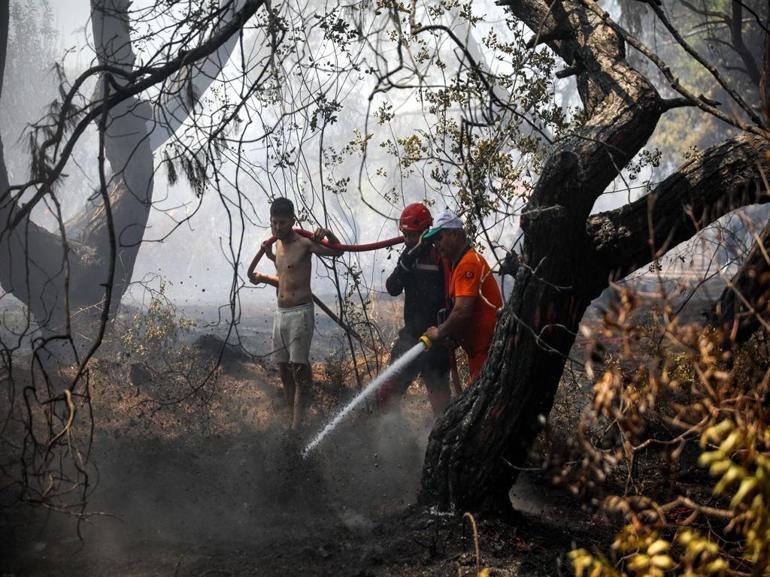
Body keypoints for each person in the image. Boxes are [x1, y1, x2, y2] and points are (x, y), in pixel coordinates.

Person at [248, 197, 343, 430]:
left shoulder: (304, 243)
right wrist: (261, 276)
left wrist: (328, 233)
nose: (277, 228)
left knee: (299, 369)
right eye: (274, 223)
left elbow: (337, 252)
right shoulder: (276, 246)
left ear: (292, 221)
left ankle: (297, 428)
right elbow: (284, 280)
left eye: (282, 222)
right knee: (283, 368)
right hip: (281, 314)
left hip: (300, 313)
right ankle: (292, 421)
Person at [378, 203, 451, 415]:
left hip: (436, 339)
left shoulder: (441, 257)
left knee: (441, 401)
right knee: (387, 392)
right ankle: (390, 437)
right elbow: (392, 288)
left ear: (426, 232)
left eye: (412, 235)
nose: (407, 239)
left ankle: (441, 440)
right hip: (410, 338)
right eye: (405, 234)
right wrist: (410, 256)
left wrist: (447, 332)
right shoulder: (408, 257)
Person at [423, 210, 503, 383]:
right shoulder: (460, 264)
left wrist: (439, 332)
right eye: (434, 241)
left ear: (455, 235)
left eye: (440, 238)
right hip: (480, 352)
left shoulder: (468, 263)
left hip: (487, 351)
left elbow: (462, 311)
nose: (437, 245)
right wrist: (455, 336)